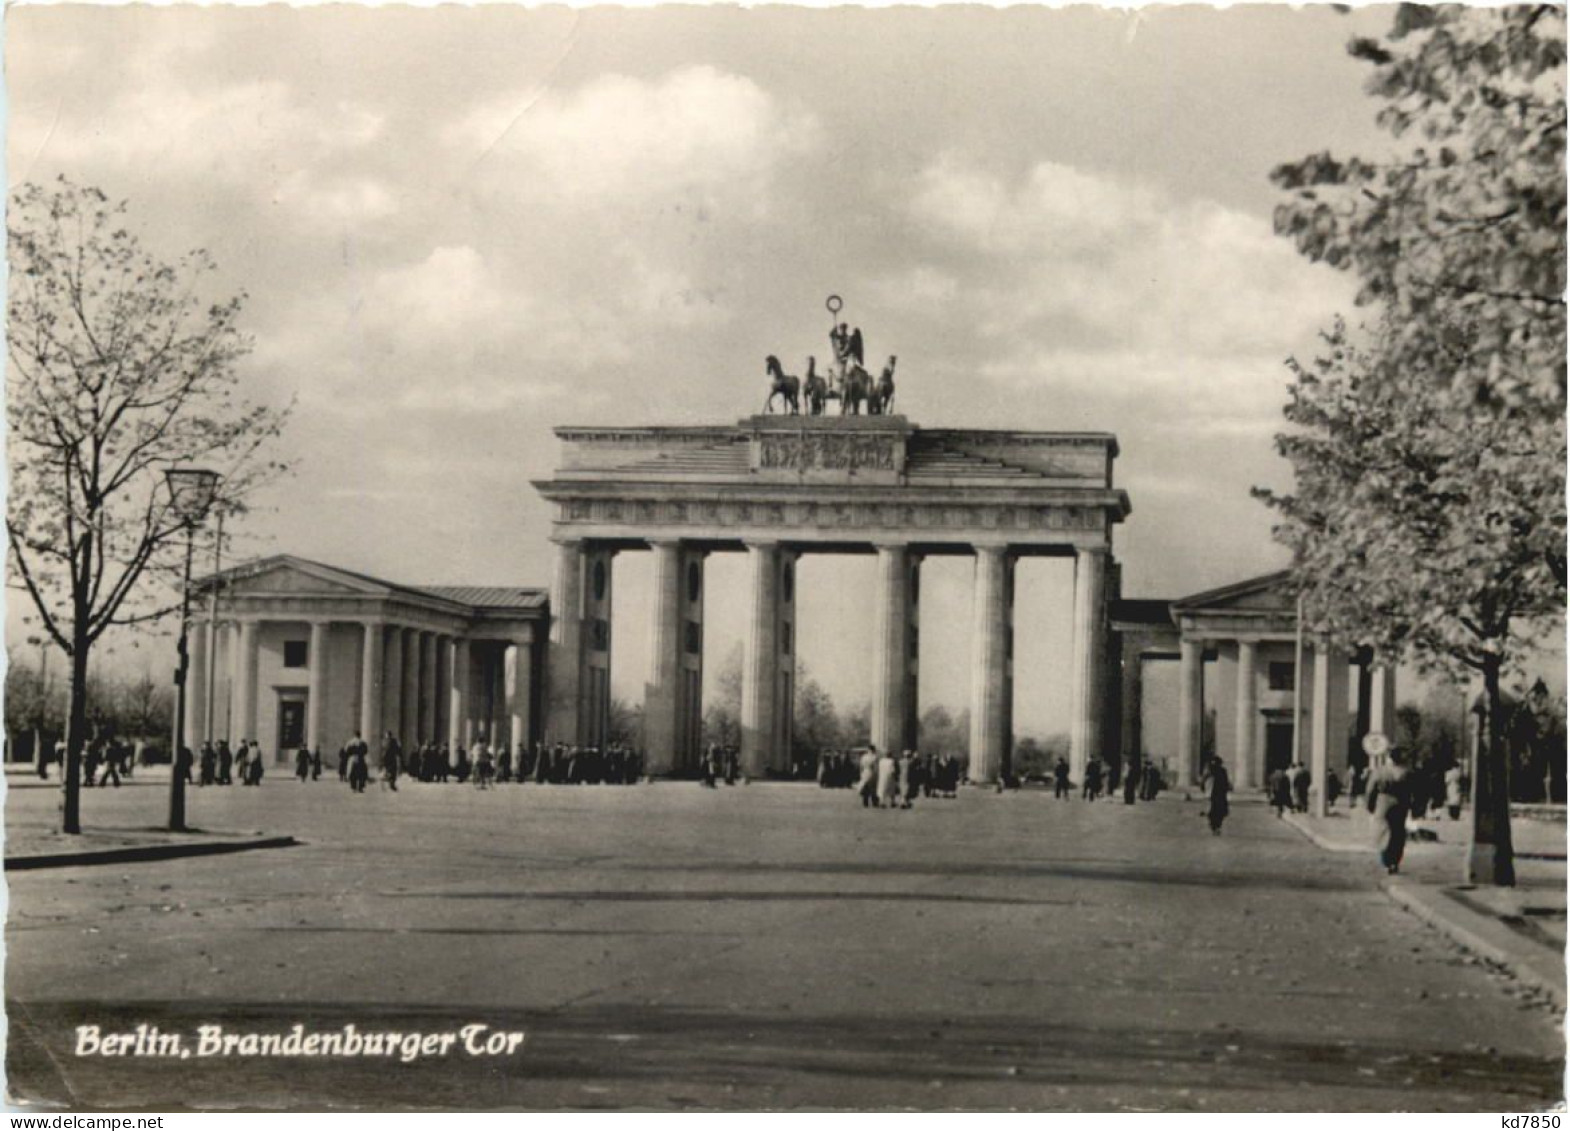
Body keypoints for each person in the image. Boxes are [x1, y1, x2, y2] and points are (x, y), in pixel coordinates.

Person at [1366, 752, 1413, 874]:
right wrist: (1415, 807)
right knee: (1398, 832)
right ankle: (1395, 861)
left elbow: (1371, 789)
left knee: (1383, 831)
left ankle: (1386, 860)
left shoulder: (1381, 771)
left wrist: (1370, 806)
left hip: (1383, 802)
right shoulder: (1408, 773)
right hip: (1401, 803)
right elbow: (1416, 790)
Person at [1202, 755, 1231, 835]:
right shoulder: (1211, 771)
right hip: (1215, 794)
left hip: (1218, 794)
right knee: (1215, 811)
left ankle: (1216, 826)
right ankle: (1215, 826)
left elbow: (1225, 782)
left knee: (1217, 812)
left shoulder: (1216, 771)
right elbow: (1204, 781)